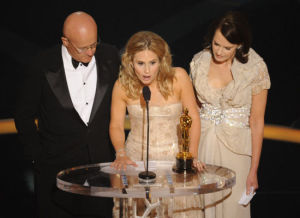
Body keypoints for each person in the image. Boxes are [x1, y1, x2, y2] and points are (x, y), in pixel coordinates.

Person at [14, 11, 120, 218]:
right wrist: (38, 159)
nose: (91, 52)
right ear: (65, 41)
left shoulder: (110, 56)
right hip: (54, 175)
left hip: (101, 175)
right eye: (84, 48)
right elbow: (23, 116)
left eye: (94, 44)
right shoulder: (41, 65)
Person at [109, 31, 203, 217]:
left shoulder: (179, 77)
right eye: (140, 63)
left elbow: (193, 118)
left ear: (162, 61)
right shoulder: (122, 85)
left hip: (174, 161)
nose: (146, 71)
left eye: (153, 63)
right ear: (130, 61)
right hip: (137, 162)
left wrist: (191, 156)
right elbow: (116, 126)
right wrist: (120, 152)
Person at [190, 11, 271, 218]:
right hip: (204, 148)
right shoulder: (199, 62)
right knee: (201, 208)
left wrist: (254, 171)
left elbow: (257, 121)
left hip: (236, 152)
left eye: (227, 48)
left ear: (240, 45)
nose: (219, 51)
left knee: (233, 209)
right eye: (216, 44)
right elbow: (194, 111)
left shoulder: (255, 67)